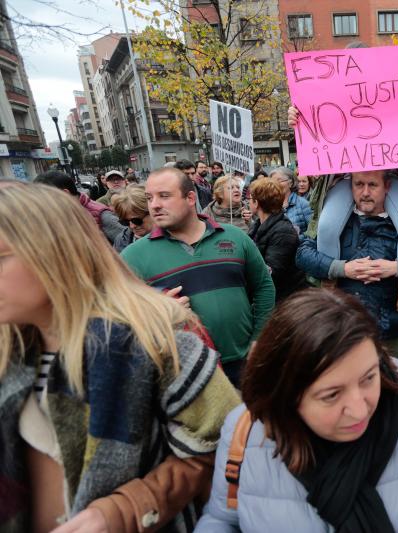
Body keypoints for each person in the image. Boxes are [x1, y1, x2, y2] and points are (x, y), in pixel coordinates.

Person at [0, 184, 239, 532]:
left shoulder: (158, 339)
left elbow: (227, 443)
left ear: (53, 252)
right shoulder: (11, 354)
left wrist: (129, 509)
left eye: (1, 258)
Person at [195, 289, 398, 532]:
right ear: (285, 393)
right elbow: (224, 519)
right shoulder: (244, 434)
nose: (359, 411)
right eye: (331, 395)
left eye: (369, 377)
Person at [121, 167, 275, 386]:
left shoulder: (235, 237)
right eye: (149, 198)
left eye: (164, 196)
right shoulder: (132, 257)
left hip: (245, 362)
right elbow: (120, 320)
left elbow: (263, 287)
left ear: (190, 198)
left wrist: (259, 338)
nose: (154, 204)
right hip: (185, 374)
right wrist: (157, 310)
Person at [297, 170, 398, 363]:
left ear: (387, 186)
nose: (365, 192)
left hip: (393, 334)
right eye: (359, 184)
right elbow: (302, 254)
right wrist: (341, 269)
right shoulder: (335, 224)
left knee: (395, 390)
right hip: (343, 331)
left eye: (372, 185)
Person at [248, 178, 308, 301]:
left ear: (257, 203)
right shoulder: (258, 224)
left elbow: (271, 272)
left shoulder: (283, 231)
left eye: (250, 198)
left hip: (285, 299)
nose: (248, 202)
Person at [33, 170, 125, 245]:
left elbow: (127, 246)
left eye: (45, 198)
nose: (42, 204)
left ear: (64, 194)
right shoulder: (51, 216)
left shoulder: (102, 215)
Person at [269, 166, 312, 235]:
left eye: (279, 181)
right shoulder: (270, 206)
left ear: (290, 183)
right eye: (273, 182)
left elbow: (312, 233)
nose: (276, 184)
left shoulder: (303, 204)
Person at [110, 184, 153, 252]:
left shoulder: (173, 236)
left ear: (152, 212)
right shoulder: (121, 241)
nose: (132, 226)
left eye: (136, 221)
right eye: (125, 222)